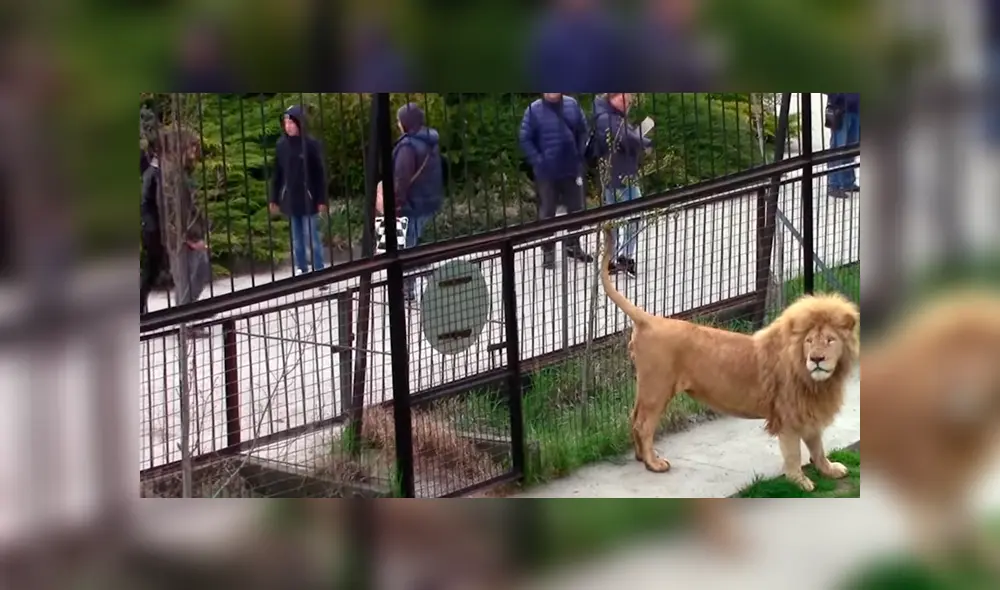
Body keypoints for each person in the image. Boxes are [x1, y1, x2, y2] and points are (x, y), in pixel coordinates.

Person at [140, 113, 211, 337]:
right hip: (178, 236)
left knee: (195, 273)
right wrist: (191, 237)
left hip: (180, 234)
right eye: (190, 148)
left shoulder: (177, 171)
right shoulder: (166, 175)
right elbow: (172, 210)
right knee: (187, 277)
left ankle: (188, 315)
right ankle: (185, 322)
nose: (193, 153)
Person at [518, 93, 595, 270]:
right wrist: (538, 160)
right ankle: (548, 251)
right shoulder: (534, 109)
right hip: (547, 173)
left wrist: (579, 153)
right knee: (548, 212)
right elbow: (525, 138)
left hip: (571, 169)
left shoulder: (572, 104)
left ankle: (572, 245)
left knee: (577, 208)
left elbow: (583, 130)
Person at [376, 103, 444, 301]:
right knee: (411, 245)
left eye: (399, 120)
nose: (397, 124)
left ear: (406, 122)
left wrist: (393, 206)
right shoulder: (430, 141)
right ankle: (412, 284)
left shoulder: (408, 146)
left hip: (411, 205)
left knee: (406, 248)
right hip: (427, 201)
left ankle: (407, 289)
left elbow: (401, 180)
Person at [592, 93, 652, 277]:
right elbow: (625, 138)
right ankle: (622, 257)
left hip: (620, 173)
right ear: (612, 97)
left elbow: (625, 137)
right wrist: (644, 141)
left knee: (619, 217)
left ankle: (616, 257)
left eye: (630, 100)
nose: (627, 103)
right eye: (623, 99)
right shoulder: (606, 118)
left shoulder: (612, 115)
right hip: (619, 175)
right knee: (631, 216)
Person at [269, 105, 329, 281]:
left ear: (299, 123)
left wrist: (321, 199)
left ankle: (319, 272)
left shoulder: (310, 145)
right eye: (285, 122)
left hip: (309, 198)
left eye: (291, 122)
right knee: (297, 240)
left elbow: (320, 174)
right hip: (291, 198)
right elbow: (277, 174)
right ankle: (302, 270)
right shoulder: (281, 145)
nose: (288, 126)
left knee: (312, 238)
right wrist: (274, 198)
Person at [826, 93, 860, 198]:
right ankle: (833, 184)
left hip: (856, 109)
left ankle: (847, 182)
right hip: (840, 110)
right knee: (838, 148)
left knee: (851, 148)